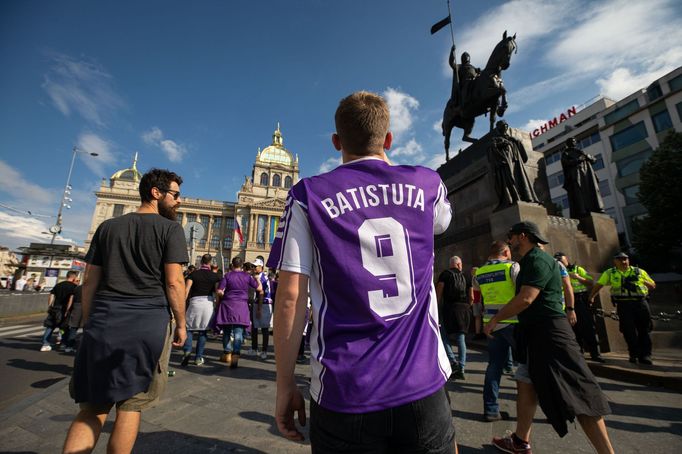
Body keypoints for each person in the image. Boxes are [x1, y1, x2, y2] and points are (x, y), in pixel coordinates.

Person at [268, 91, 456, 452]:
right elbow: (442, 223)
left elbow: (290, 297)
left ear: (336, 142)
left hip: (344, 390)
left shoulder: (307, 195)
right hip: (422, 381)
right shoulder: (427, 183)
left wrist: (284, 383)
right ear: (388, 139)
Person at [62, 168, 188, 454]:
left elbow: (90, 280)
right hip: (148, 326)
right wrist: (181, 322)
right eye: (176, 195)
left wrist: (93, 319)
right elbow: (174, 281)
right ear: (156, 193)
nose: (180, 201)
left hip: (104, 321)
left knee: (93, 406)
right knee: (132, 404)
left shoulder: (108, 227)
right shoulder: (170, 229)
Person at [486, 221, 613, 454]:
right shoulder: (530, 261)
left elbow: (526, 298)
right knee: (525, 382)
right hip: (535, 335)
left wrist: (495, 319)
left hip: (551, 335)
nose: (510, 241)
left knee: (580, 393)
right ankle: (520, 441)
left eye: (511, 236)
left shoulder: (536, 260)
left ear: (522, 236)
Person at [475, 240, 520, 422]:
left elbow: (477, 300)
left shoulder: (479, 272)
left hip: (491, 325)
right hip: (514, 323)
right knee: (526, 367)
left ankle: (491, 410)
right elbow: (523, 294)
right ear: (507, 252)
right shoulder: (513, 267)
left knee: (494, 367)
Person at [589, 252, 656, 365]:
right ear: (615, 261)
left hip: (640, 303)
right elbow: (599, 284)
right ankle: (633, 354)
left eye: (625, 259)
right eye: (620, 260)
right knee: (628, 330)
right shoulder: (610, 273)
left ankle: (645, 355)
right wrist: (591, 296)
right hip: (624, 305)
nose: (623, 262)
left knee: (644, 330)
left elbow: (652, 285)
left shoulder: (639, 271)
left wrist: (640, 280)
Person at [214, 256, 263, 368]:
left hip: (228, 304)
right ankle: (235, 355)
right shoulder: (247, 276)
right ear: (241, 266)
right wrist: (257, 279)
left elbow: (220, 291)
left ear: (232, 265)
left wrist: (224, 295)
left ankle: (227, 353)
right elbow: (259, 289)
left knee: (226, 331)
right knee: (238, 332)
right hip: (241, 306)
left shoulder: (227, 276)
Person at [555, 252, 603, 362]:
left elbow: (590, 282)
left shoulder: (577, 269)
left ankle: (595, 353)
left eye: (561, 260)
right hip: (565, 300)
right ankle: (579, 353)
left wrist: (578, 277)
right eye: (557, 260)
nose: (560, 262)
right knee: (572, 328)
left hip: (580, 299)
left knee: (587, 326)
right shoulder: (556, 271)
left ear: (566, 259)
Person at [488, 120, 540, 210]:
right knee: (510, 180)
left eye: (505, 126)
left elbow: (523, 153)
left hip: (516, 162)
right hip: (506, 163)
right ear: (498, 129)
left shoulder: (512, 139)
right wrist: (500, 145)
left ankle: (527, 197)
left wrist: (516, 141)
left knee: (521, 179)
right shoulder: (495, 139)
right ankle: (514, 197)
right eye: (502, 127)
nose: (504, 128)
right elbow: (491, 150)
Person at [181, 253, 221, 367]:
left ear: (201, 262)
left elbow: (186, 290)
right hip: (208, 304)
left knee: (188, 328)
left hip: (194, 303)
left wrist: (181, 305)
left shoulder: (193, 274)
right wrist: (217, 305)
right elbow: (217, 293)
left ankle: (187, 351)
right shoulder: (215, 276)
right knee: (203, 331)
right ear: (210, 262)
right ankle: (198, 357)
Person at [437, 255, 471, 380]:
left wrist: (436, 307)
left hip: (449, 309)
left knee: (443, 335)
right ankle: (461, 367)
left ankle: (453, 361)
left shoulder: (445, 275)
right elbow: (471, 297)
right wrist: (467, 307)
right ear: (458, 264)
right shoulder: (466, 276)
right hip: (464, 309)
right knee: (461, 338)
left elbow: (439, 293)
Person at [560, 138, 604, 219]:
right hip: (576, 174)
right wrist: (578, 160)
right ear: (568, 143)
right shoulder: (566, 153)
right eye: (572, 141)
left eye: (574, 141)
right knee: (579, 192)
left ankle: (597, 208)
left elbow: (594, 160)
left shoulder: (580, 151)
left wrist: (588, 157)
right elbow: (566, 163)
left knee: (592, 190)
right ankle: (582, 210)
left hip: (587, 173)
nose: (574, 142)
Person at [40, 270, 78, 351]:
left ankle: (45, 343)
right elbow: (71, 299)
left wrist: (50, 306)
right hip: (65, 308)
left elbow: (51, 295)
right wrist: (68, 309)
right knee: (64, 327)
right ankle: (63, 344)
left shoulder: (58, 285)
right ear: (74, 277)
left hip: (55, 307)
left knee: (50, 326)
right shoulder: (74, 287)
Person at [251, 258, 273, 360]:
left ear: (261, 267)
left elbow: (262, 294)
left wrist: (259, 308)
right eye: (253, 266)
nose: (254, 268)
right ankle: (254, 348)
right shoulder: (256, 277)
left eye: (256, 266)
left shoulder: (263, 278)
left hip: (263, 304)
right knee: (254, 327)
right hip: (258, 303)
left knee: (264, 328)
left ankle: (264, 351)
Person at [64, 282, 83, 353]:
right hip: (87, 307)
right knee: (86, 329)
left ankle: (69, 346)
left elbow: (71, 299)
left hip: (76, 307)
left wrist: (67, 310)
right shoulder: (92, 288)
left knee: (73, 328)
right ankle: (82, 347)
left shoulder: (77, 288)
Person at [470, 266, 485, 339]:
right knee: (480, 317)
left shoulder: (475, 278)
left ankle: (478, 332)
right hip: (478, 299)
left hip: (478, 299)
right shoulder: (477, 278)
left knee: (478, 317)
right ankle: (480, 332)